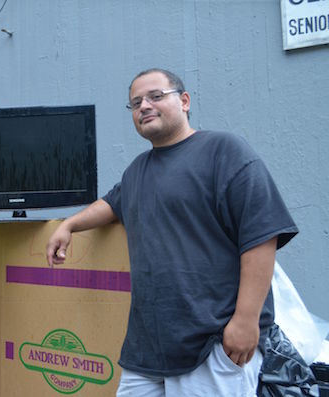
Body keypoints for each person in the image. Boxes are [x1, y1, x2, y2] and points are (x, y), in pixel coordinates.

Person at [46, 68, 298, 396]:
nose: (144, 106)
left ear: (184, 101)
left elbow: (262, 235)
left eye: (155, 96)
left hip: (212, 345)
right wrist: (69, 225)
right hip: (146, 351)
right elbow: (112, 204)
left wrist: (246, 321)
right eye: (135, 103)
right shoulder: (138, 170)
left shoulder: (224, 151)